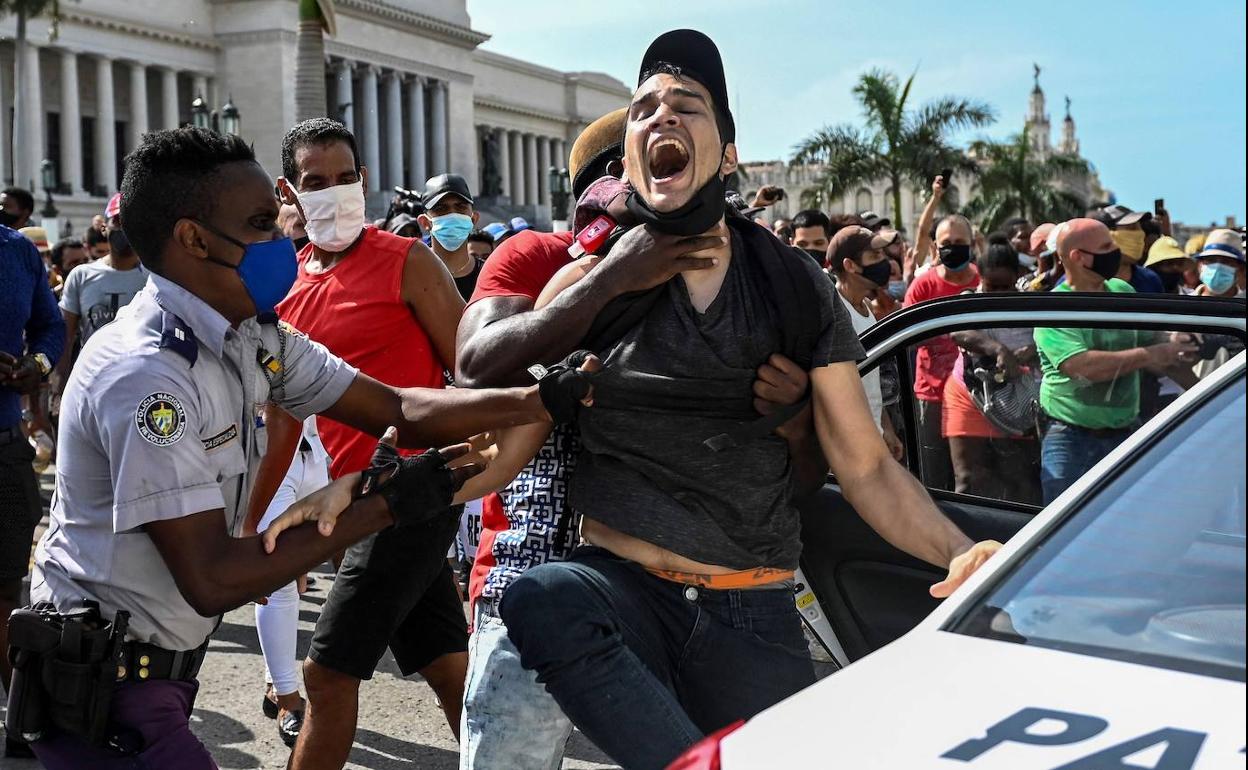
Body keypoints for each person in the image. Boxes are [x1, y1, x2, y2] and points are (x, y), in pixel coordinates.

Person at [495, 30, 1000, 770]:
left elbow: (864, 468)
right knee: (540, 598)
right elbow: (501, 437)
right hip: (618, 591)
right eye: (643, 110)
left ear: (728, 153)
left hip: (749, 613)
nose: (661, 119)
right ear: (628, 151)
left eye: (686, 106)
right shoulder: (587, 288)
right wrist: (372, 493)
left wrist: (963, 551)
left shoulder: (794, 287)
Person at [23, 126, 559, 769]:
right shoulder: (147, 379)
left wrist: (543, 400)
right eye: (260, 223)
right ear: (193, 239)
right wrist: (380, 506)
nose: (283, 237)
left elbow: (397, 405)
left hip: (152, 678)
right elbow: (212, 579)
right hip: (107, 693)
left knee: (437, 657)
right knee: (334, 675)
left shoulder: (254, 335)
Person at [269, 118, 471, 769]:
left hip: (412, 493)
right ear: (288, 193)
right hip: (342, 508)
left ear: (365, 180)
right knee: (446, 666)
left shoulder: (410, 261)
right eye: (314, 183)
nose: (334, 193)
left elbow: (473, 372)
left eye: (344, 178)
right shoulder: (287, 283)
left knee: (326, 676)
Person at [1033, 218, 1198, 503]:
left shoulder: (1123, 292)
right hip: (1070, 438)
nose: (1116, 252)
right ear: (1079, 257)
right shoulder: (1054, 309)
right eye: (1107, 246)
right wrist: (1152, 354)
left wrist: (1196, 380)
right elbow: (1082, 367)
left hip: (1125, 433)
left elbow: (1154, 345)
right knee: (1063, 528)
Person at [0, 223, 64, 759]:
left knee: (7, 590)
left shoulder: (17, 251)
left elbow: (49, 329)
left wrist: (33, 367)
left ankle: (22, 722)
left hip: (5, 450)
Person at [243, 416, 331, 746]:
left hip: (315, 449)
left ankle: (274, 684)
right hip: (269, 447)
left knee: (298, 575)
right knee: (277, 575)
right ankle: (287, 698)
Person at [944, 235, 1041, 503]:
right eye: (991, 287)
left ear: (1017, 277)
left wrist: (1032, 352)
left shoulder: (1031, 304)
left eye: (1005, 287)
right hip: (969, 393)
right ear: (980, 279)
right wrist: (998, 350)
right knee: (969, 479)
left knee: (1021, 480)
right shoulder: (968, 299)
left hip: (1020, 397)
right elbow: (958, 332)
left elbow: (1049, 339)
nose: (998, 294)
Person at [903, 213, 980, 492]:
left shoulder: (984, 284)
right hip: (932, 396)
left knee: (970, 479)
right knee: (933, 480)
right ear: (935, 247)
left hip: (976, 398)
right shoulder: (922, 286)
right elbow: (907, 336)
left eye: (960, 242)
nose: (953, 247)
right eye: (946, 242)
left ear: (973, 244)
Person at [53, 195, 149, 396]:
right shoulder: (81, 276)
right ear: (104, 227)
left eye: (131, 221)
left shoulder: (156, 276)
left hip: (144, 381)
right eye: (118, 222)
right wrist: (62, 386)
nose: (124, 229)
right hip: (93, 383)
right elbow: (65, 337)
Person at [825, 225, 904, 459]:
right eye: (875, 256)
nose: (885, 263)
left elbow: (871, 382)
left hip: (871, 438)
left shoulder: (867, 308)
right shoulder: (835, 312)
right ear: (850, 266)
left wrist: (886, 429)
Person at [418, 173, 485, 301]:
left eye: (460, 207)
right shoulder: (411, 275)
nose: (452, 214)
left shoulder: (488, 275)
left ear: (474, 219)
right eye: (441, 208)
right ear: (425, 222)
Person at [1192, 228, 1246, 298]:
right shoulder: (1183, 303)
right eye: (1211, 260)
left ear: (1240, 269)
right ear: (1200, 265)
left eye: (1226, 261)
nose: (1217, 267)